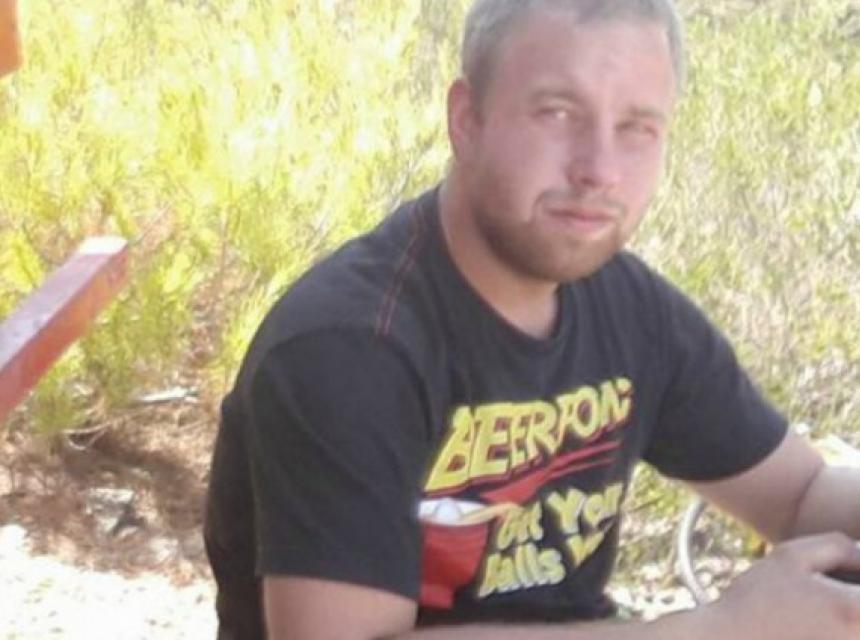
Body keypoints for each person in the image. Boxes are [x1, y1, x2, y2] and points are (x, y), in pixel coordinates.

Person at [204, 0, 860, 638]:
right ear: (467, 120)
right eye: (558, 113)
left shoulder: (632, 311)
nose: (599, 170)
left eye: (637, 127)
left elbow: (800, 495)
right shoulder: (349, 347)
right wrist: (719, 630)